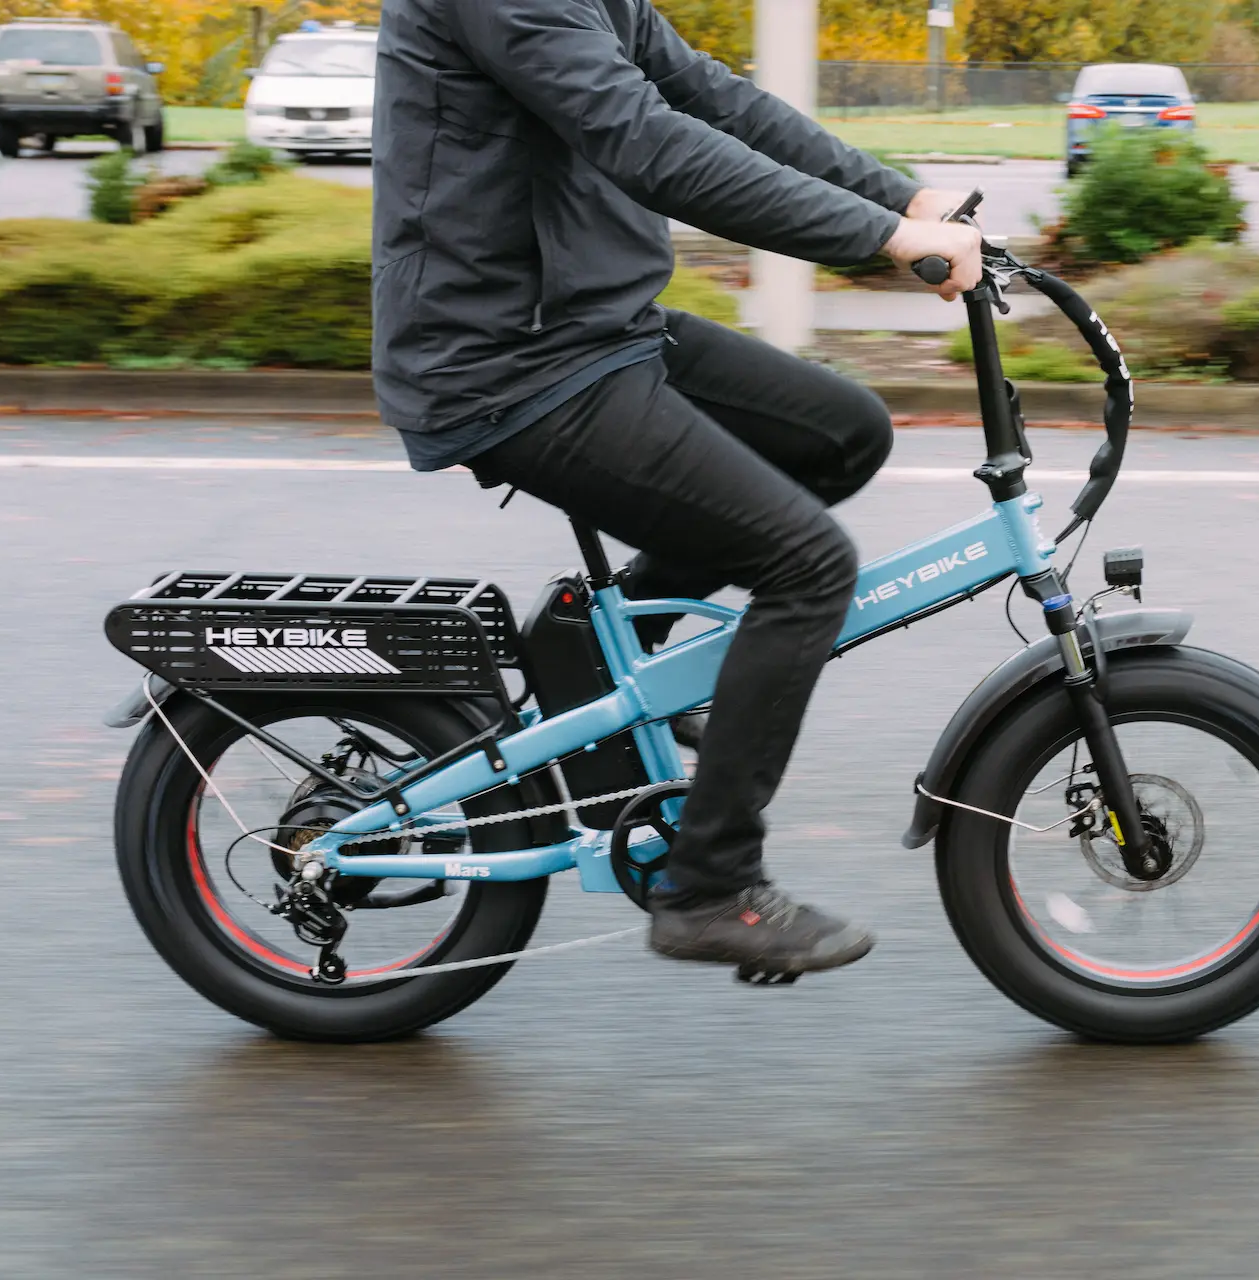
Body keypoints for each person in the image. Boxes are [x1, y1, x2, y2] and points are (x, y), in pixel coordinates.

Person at [371, 0, 981, 977]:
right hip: (502, 360)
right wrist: (872, 238)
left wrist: (899, 203)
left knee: (842, 434)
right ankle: (710, 888)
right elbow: (642, 139)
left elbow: (708, 97)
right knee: (808, 564)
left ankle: (608, 662)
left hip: (592, 327)